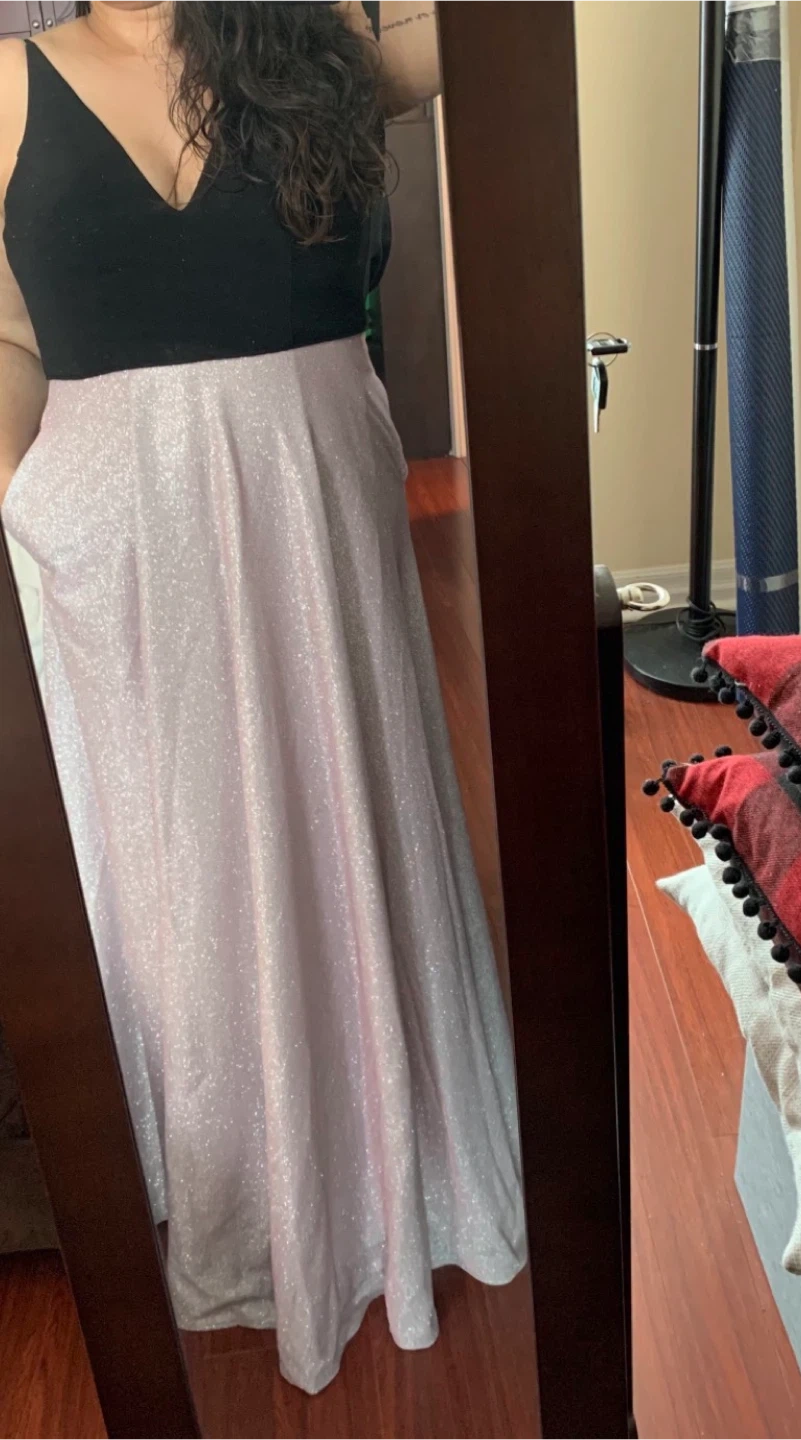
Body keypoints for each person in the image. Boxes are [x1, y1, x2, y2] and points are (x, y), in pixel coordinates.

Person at [0, 0, 525, 1397]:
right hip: (109, 543)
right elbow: (7, 335)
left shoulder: (321, 42)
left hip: (312, 508)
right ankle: (244, 1202)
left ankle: (382, 1175)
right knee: (180, 870)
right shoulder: (5, 88)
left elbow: (485, 36)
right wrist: (19, 506)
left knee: (344, 822)